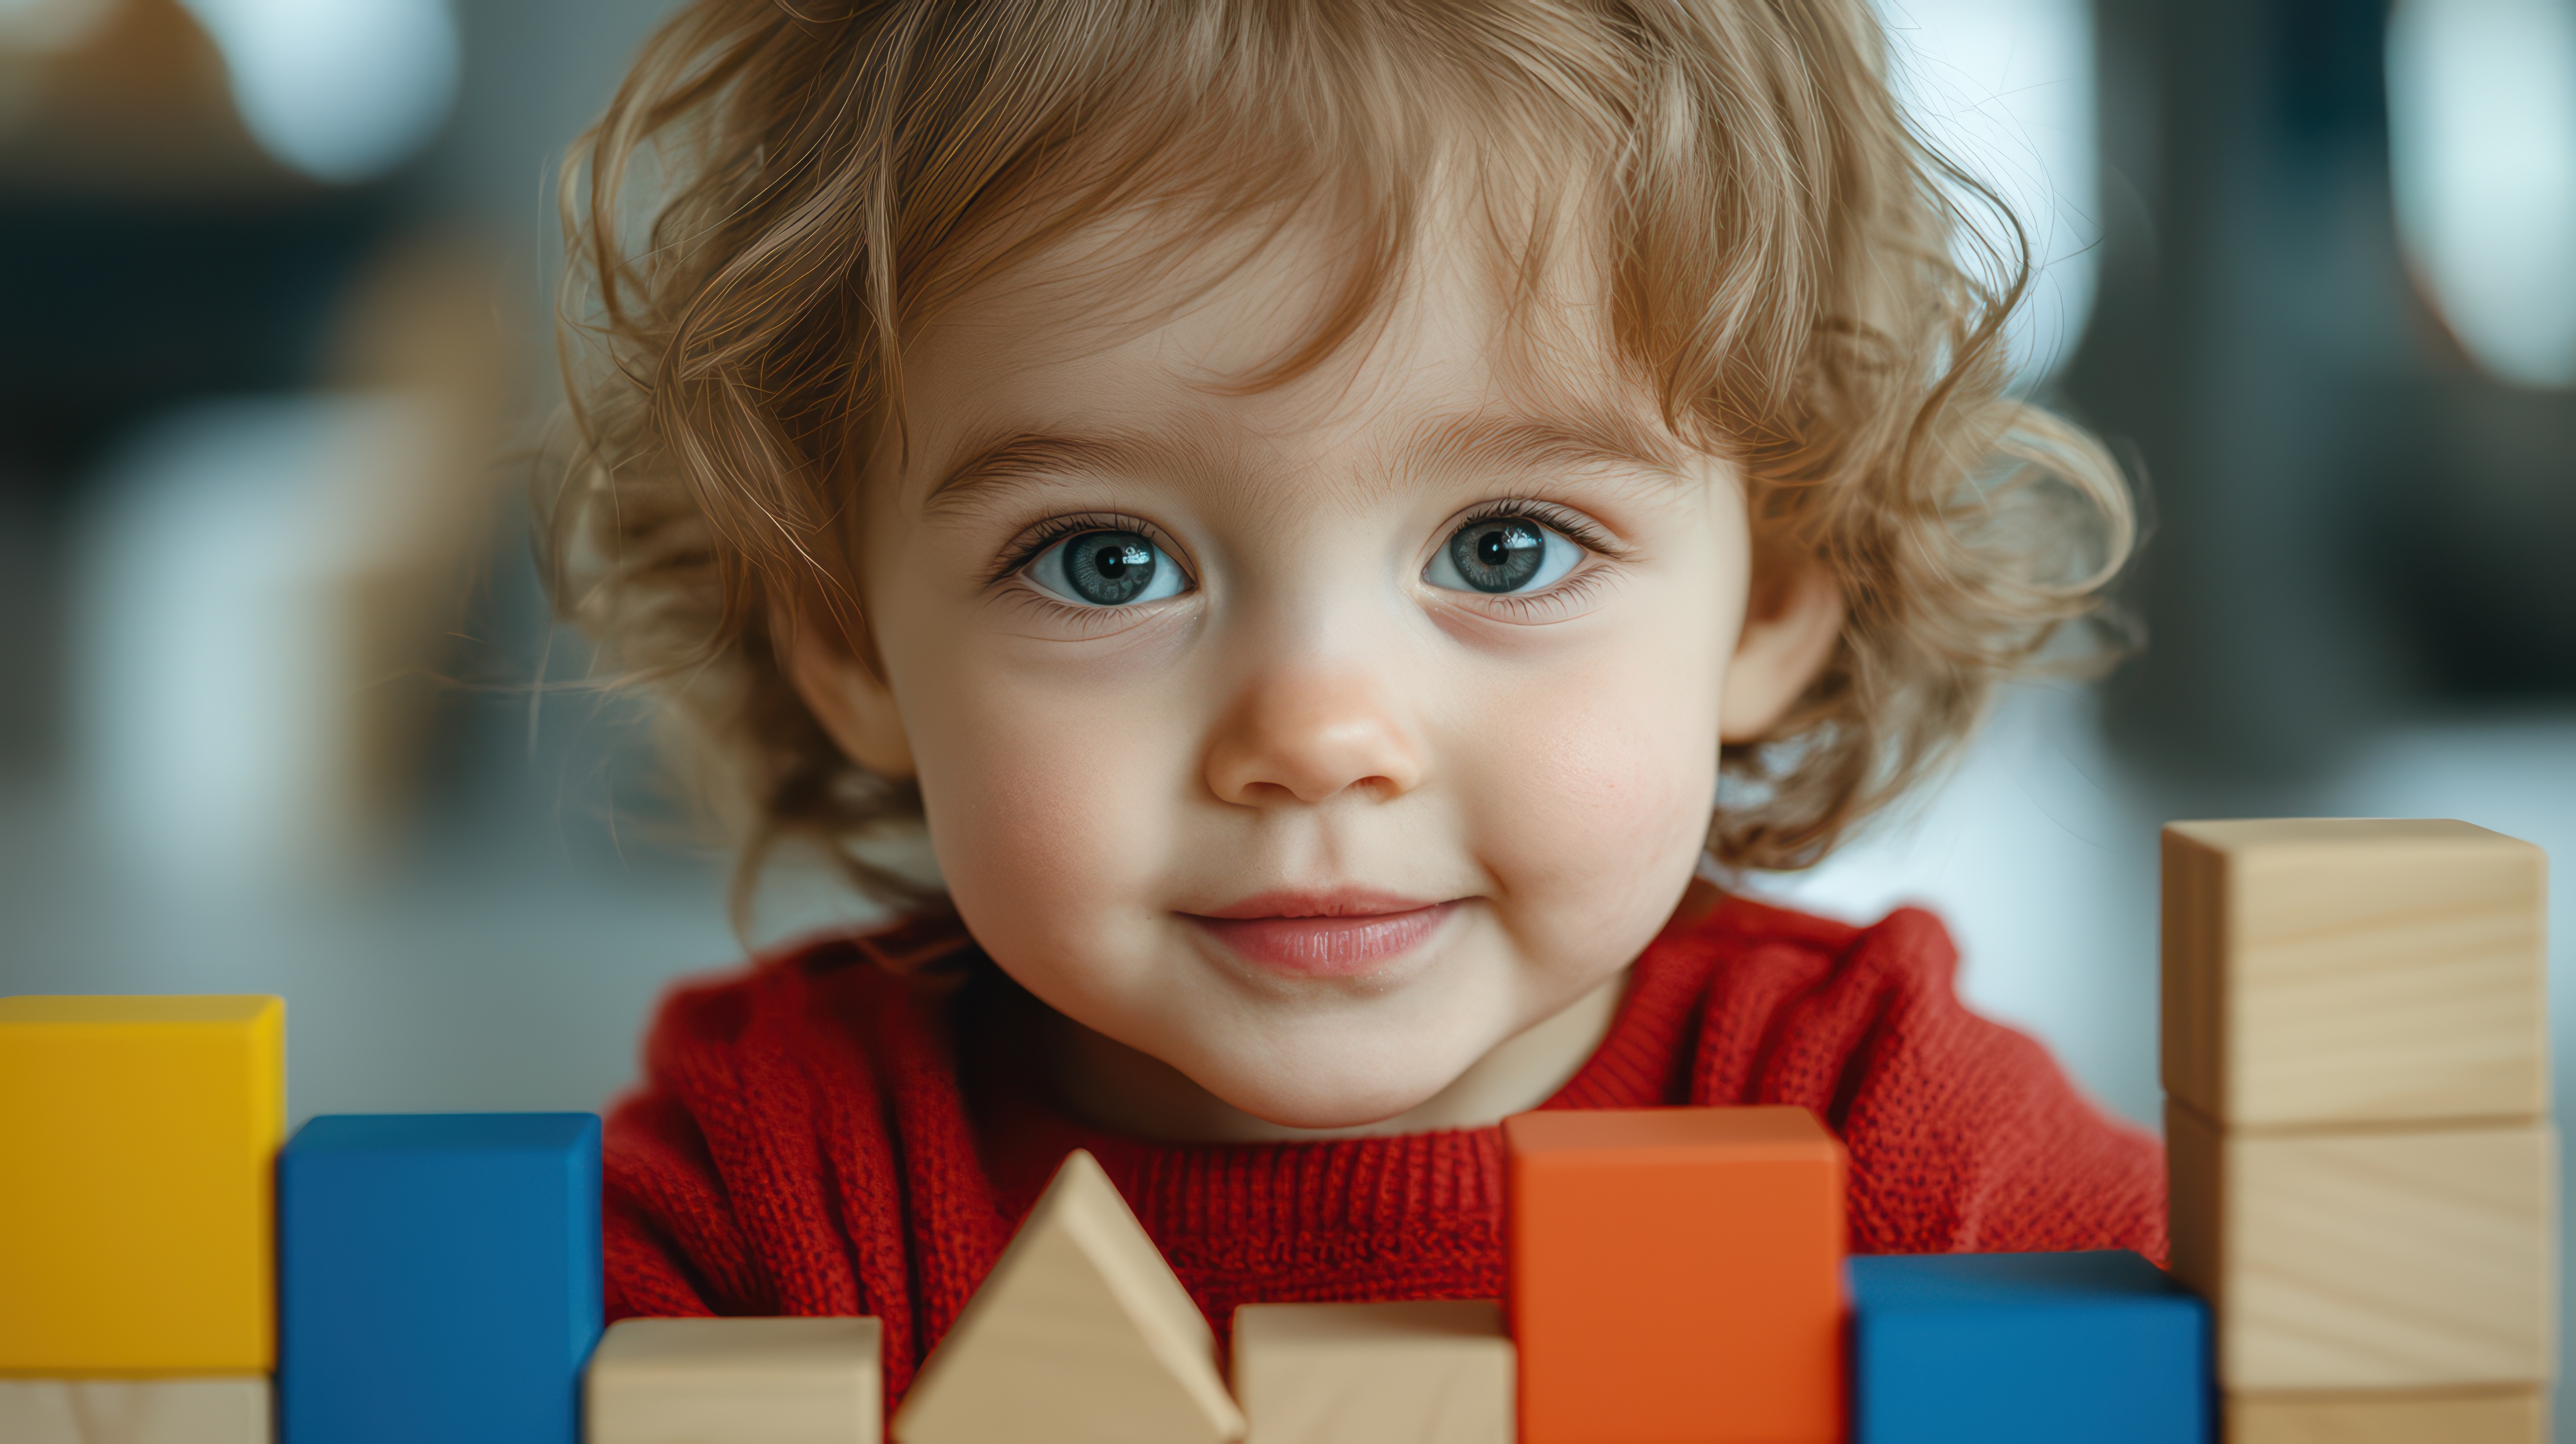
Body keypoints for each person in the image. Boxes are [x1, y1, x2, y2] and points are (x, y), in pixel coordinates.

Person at [549, 0, 2160, 1402]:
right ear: (847, 641)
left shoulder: (1903, 1153)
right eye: (1107, 563)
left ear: (1781, 591)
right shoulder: (782, 1197)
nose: (1316, 735)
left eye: (1504, 548)